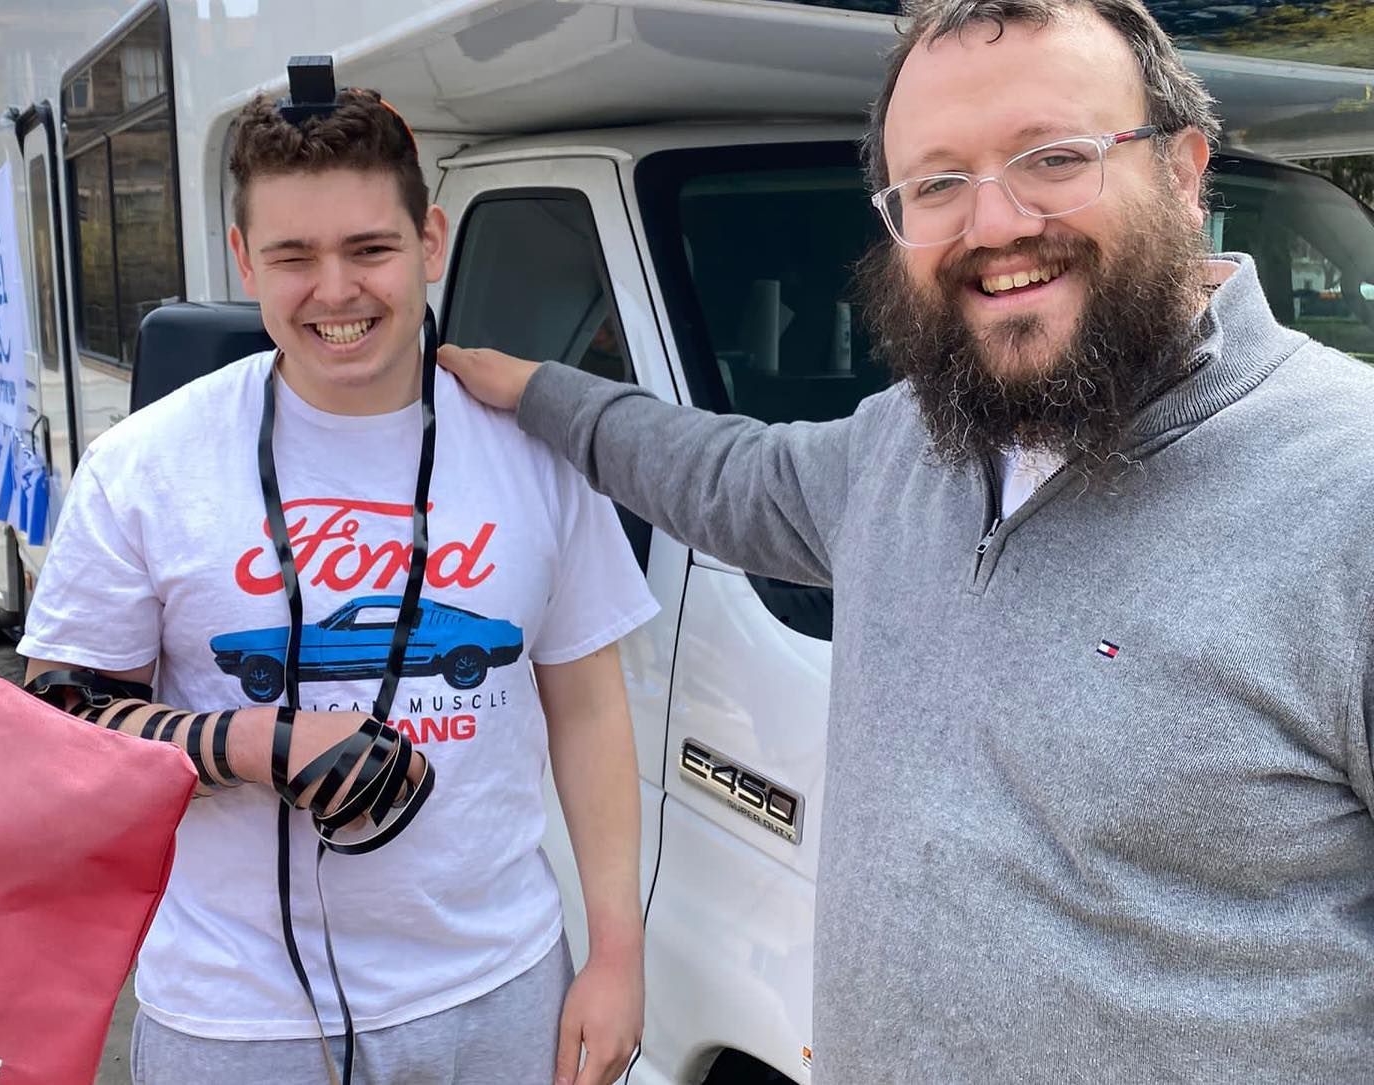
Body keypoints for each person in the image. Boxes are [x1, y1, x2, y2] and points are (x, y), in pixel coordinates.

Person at [436, 0, 1374, 1080]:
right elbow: (713, 472)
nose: (995, 224)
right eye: (936, 184)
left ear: (1182, 170)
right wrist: (534, 389)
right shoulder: (906, 445)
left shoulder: (1348, 490)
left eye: (1054, 156)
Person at [20, 84, 655, 1085]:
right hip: (234, 1017)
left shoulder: (532, 450)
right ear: (242, 260)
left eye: (370, 249)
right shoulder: (145, 463)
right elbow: (56, 724)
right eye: (292, 256)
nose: (335, 290)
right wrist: (257, 742)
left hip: (498, 989)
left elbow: (585, 706)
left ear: (431, 240)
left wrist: (617, 950)